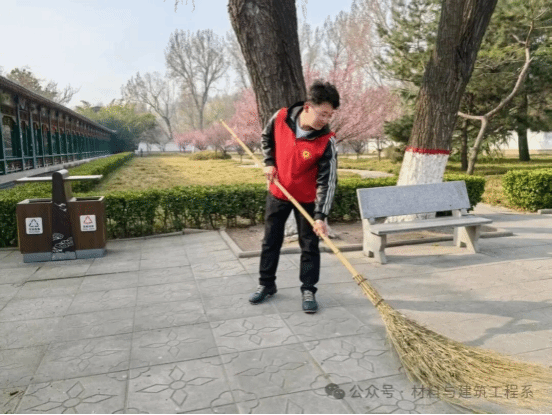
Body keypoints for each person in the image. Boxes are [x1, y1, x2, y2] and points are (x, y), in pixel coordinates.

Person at [249, 80, 340, 314]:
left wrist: (320, 216)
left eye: (330, 115)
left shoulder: (326, 141)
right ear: (308, 107)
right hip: (278, 191)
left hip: (307, 200)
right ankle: (266, 284)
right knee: (270, 240)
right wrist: (269, 162)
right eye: (322, 114)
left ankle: (308, 289)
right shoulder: (281, 117)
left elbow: (328, 181)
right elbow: (266, 138)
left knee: (309, 246)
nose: (325, 120)